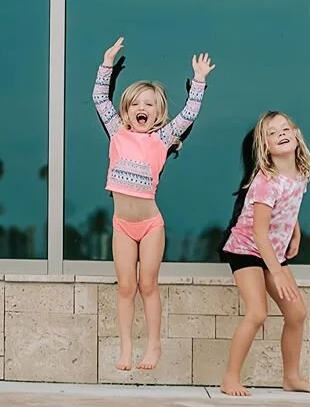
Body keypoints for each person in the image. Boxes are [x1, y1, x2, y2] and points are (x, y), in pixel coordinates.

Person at [93, 36, 214, 371]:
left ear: (158, 112)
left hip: (149, 226)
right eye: (135, 104)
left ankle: (154, 345)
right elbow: (99, 98)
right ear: (127, 111)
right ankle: (126, 348)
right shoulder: (117, 132)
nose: (141, 109)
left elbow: (189, 113)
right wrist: (106, 63)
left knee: (147, 284)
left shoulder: (161, 139)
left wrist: (199, 81)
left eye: (149, 104)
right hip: (121, 225)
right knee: (126, 287)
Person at [220, 111, 310, 397]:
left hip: (273, 252)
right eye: (272, 132)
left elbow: (289, 208)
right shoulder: (266, 181)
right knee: (257, 312)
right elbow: (259, 232)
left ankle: (291, 377)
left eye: (285, 128)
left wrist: (295, 230)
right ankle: (230, 378)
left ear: (296, 134)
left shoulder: (300, 174)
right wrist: (276, 272)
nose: (280, 133)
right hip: (246, 249)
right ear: (264, 146)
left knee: (297, 313)